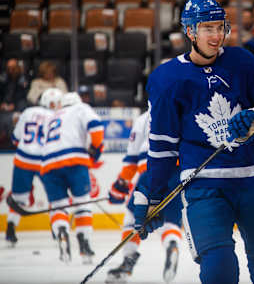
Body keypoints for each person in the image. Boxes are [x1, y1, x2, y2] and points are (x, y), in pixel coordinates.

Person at [134, 0, 254, 284]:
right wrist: (154, 194)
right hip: (204, 185)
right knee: (219, 270)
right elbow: (162, 148)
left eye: (220, 27)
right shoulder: (166, 79)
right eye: (208, 28)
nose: (217, 36)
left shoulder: (242, 61)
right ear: (190, 32)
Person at [106, 111, 182, 283]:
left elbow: (132, 158)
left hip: (151, 171)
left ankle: (128, 261)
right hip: (177, 173)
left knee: (132, 217)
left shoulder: (143, 118)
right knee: (169, 219)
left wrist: (120, 186)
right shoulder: (180, 110)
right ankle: (172, 244)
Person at [41, 92, 104, 263]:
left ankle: (61, 231)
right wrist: (96, 149)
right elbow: (96, 126)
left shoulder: (52, 116)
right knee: (82, 202)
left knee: (58, 206)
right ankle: (84, 244)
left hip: (47, 164)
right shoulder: (81, 108)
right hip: (74, 160)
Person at [5, 88, 63, 247]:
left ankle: (11, 228)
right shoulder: (58, 116)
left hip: (23, 159)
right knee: (56, 197)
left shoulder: (28, 112)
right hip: (46, 161)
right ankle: (57, 229)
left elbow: (16, 139)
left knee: (19, 198)